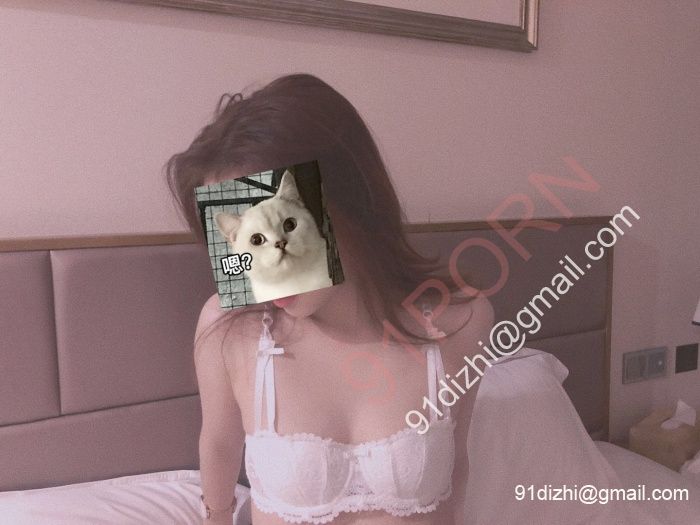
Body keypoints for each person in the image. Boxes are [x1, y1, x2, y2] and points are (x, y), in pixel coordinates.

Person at [165, 73, 494, 525]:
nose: (266, 265)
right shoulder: (229, 329)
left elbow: (456, 468)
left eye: (283, 225)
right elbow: (219, 445)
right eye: (244, 240)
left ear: (350, 199)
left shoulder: (462, 321)